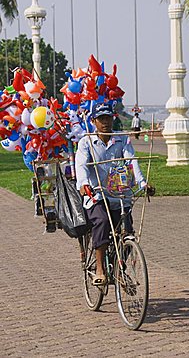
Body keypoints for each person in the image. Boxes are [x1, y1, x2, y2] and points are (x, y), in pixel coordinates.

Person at [75, 103, 153, 286]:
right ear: (93, 121)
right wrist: (84, 184)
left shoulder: (121, 140)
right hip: (97, 195)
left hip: (119, 195)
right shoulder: (86, 142)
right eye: (101, 119)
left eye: (108, 118)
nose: (105, 122)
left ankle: (119, 269)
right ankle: (100, 269)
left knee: (128, 232)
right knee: (102, 221)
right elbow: (81, 165)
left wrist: (142, 183)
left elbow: (131, 161)